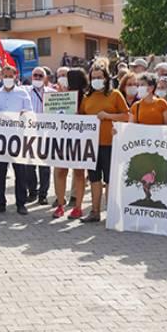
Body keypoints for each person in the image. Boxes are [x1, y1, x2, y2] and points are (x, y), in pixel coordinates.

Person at [79, 62, 129, 222]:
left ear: (106, 78)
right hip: (91, 145)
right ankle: (94, 211)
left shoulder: (115, 95)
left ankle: (111, 212)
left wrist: (108, 116)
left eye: (99, 77)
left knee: (109, 180)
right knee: (94, 179)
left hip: (110, 144)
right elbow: (80, 117)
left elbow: (126, 116)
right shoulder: (87, 97)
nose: (96, 80)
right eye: (93, 77)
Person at [0, 65, 32, 215]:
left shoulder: (23, 93)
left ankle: (21, 203)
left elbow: (30, 111)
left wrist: (25, 112)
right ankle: (0, 203)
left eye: (10, 76)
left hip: (18, 137)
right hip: (0, 138)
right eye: (4, 76)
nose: (7, 78)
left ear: (15, 76)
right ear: (1, 77)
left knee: (20, 172)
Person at [53, 68, 89, 219]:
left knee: (79, 173)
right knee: (61, 171)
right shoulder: (58, 97)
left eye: (66, 78)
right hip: (62, 139)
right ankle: (60, 204)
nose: (63, 80)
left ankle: (78, 207)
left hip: (79, 141)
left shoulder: (86, 98)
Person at [25, 66, 54, 205]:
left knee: (44, 167)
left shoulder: (53, 94)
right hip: (29, 133)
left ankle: (43, 194)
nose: (37, 78)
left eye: (40, 76)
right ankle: (32, 192)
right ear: (32, 77)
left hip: (46, 134)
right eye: (35, 75)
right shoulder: (24, 92)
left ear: (45, 78)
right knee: (29, 166)